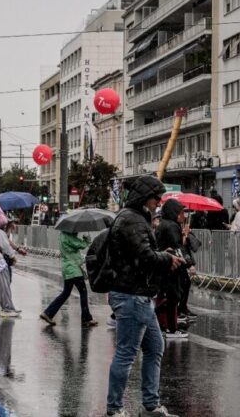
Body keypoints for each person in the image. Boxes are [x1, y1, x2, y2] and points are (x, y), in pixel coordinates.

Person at [105, 175, 185, 417]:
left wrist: (161, 254)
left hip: (138, 294)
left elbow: (141, 253)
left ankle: (150, 405)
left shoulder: (134, 218)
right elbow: (144, 257)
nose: (158, 202)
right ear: (144, 197)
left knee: (154, 347)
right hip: (132, 295)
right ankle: (114, 409)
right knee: (126, 353)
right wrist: (166, 258)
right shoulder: (133, 220)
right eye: (155, 197)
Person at [154, 199, 197, 339]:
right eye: (181, 212)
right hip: (171, 267)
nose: (183, 215)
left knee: (165, 296)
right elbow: (177, 247)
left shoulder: (164, 224)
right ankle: (171, 329)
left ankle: (163, 326)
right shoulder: (172, 226)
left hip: (163, 265)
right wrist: (189, 263)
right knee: (171, 297)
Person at [40, 231, 97, 328]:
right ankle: (86, 319)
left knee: (66, 293)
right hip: (74, 269)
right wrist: (87, 239)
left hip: (67, 269)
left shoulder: (63, 236)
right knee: (83, 292)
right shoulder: (70, 238)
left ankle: (48, 313)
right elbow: (81, 245)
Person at [0, 218, 26, 318]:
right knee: (3, 283)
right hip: (2, 260)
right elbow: (5, 245)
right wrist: (13, 256)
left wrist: (17, 248)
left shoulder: (5, 232)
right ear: (10, 224)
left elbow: (8, 242)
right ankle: (7, 308)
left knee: (4, 283)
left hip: (2, 260)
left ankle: (7, 306)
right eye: (14, 223)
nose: (16, 225)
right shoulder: (1, 231)